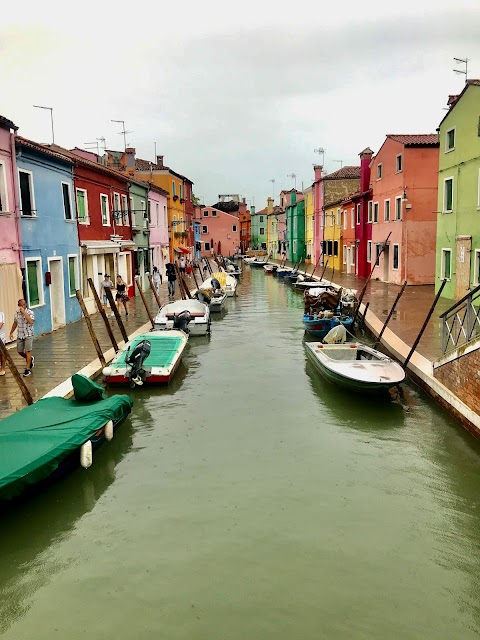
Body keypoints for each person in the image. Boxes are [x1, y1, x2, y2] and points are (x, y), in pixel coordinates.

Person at [9, 299, 35, 377]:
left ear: (25, 304)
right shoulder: (16, 314)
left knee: (28, 351)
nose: (22, 306)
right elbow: (15, 323)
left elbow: (31, 321)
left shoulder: (30, 312)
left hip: (28, 334)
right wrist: (11, 332)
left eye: (23, 305)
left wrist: (24, 313)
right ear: (18, 305)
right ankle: (30, 359)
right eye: (20, 305)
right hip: (20, 334)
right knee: (19, 351)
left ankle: (27, 369)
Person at [0, 309, 5, 376]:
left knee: (2, 353)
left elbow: (0, 324)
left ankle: (3, 368)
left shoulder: (1, 314)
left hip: (1, 337)